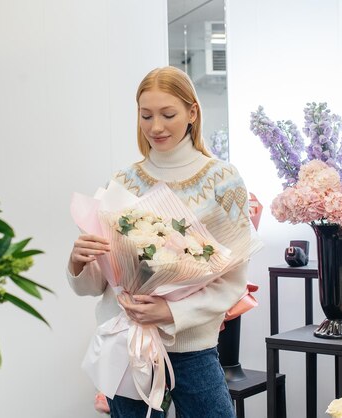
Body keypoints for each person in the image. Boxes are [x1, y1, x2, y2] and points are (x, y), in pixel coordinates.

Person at [67, 66, 252, 418]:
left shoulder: (222, 180)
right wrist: (79, 262)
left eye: (168, 114)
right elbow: (101, 283)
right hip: (126, 345)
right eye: (146, 115)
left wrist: (171, 311)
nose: (155, 127)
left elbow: (232, 280)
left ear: (192, 113)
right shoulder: (124, 180)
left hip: (192, 347)